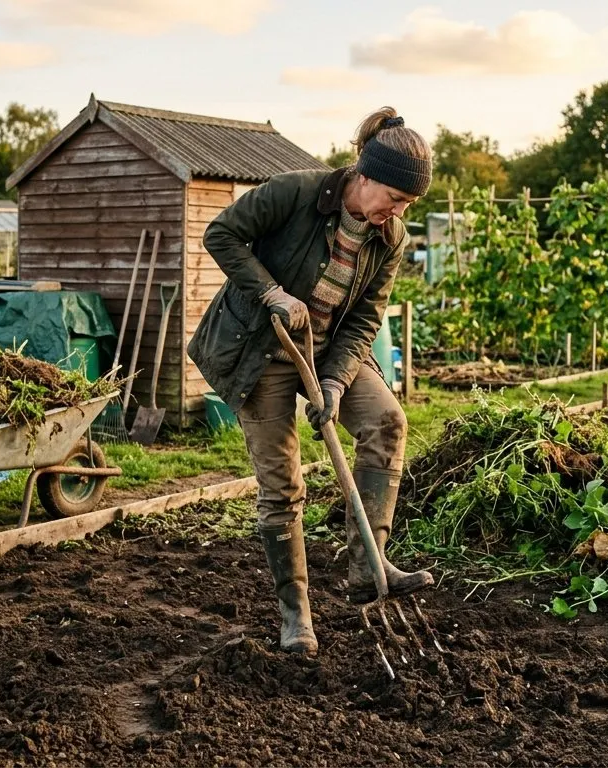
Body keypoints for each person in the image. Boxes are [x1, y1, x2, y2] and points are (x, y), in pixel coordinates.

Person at [188, 107, 434, 656]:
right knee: (283, 486)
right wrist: (270, 290)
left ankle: (368, 568)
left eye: (408, 205)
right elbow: (221, 234)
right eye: (395, 198)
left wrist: (337, 384)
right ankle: (295, 613)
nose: (398, 212)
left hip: (325, 352)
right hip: (259, 349)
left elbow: (367, 318)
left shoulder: (388, 236)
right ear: (364, 176)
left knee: (387, 421)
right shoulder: (294, 193)